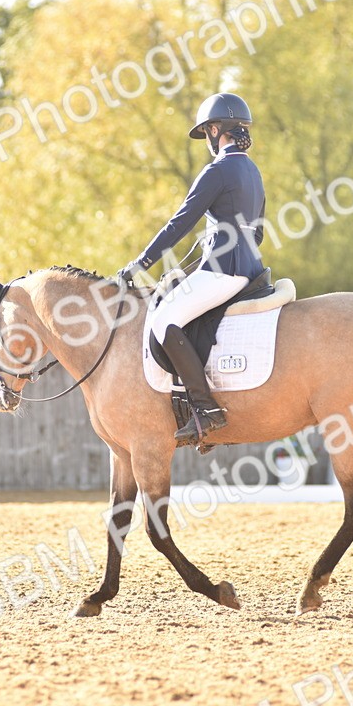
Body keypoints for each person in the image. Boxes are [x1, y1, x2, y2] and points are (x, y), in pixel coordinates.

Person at [118, 92, 267, 447]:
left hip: (222, 269)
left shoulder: (217, 170)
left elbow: (179, 223)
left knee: (163, 321)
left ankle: (204, 408)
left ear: (216, 130)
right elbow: (257, 231)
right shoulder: (253, 170)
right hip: (249, 268)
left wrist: (140, 263)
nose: (207, 141)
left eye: (208, 133)